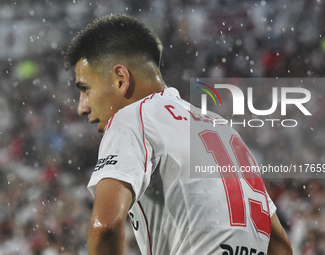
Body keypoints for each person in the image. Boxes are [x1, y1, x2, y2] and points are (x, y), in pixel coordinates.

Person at [65, 14, 292, 255]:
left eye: (85, 89)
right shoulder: (223, 128)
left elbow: (105, 227)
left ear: (121, 79)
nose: (82, 107)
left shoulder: (131, 118)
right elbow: (280, 246)